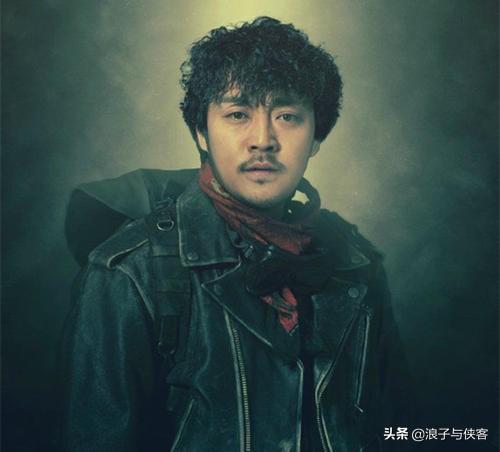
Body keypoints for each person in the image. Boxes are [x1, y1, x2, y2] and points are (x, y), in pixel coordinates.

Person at [60, 16, 415, 452]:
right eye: (237, 114)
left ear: (316, 137)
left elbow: (398, 427)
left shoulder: (356, 264)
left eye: (287, 116)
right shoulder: (129, 274)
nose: (262, 139)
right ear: (201, 132)